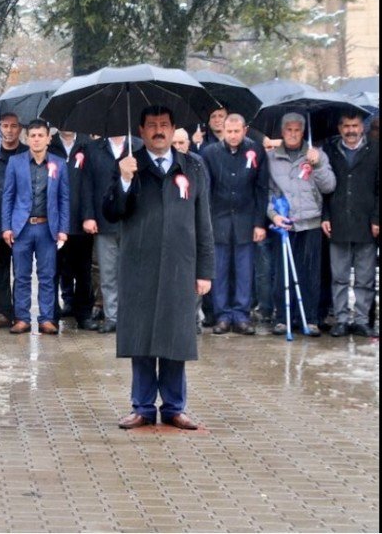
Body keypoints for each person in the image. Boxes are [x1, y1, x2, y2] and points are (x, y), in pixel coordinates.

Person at [104, 105, 214, 430]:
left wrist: (204, 270)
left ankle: (174, 407)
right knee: (140, 337)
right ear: (141, 130)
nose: (158, 130)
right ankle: (141, 407)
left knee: (175, 337)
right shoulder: (128, 165)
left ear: (173, 128)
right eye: (151, 125)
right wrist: (124, 179)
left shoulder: (192, 166)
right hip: (139, 263)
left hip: (181, 264)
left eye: (164, 124)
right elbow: (112, 212)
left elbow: (203, 221)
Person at [266, 113, 335, 336]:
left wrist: (317, 166)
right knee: (281, 271)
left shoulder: (316, 155)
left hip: (311, 222)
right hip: (284, 223)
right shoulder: (272, 158)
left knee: (311, 273)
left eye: (297, 130)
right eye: (289, 130)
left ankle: (311, 318)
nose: (293, 134)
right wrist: (273, 215)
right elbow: (266, 192)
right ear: (282, 132)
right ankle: (283, 318)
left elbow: (329, 187)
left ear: (303, 132)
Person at [201, 113, 268, 335]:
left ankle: (241, 314)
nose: (232, 135)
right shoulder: (210, 153)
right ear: (223, 131)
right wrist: (206, 221)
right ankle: (222, 316)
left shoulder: (255, 150)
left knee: (244, 270)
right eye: (228, 131)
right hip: (218, 220)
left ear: (244, 131)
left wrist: (259, 223)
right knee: (219, 270)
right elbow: (206, 189)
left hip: (246, 220)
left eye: (236, 131)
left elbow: (261, 189)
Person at [1, 119, 70, 334]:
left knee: (47, 275)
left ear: (49, 138)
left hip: (47, 227)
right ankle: (22, 318)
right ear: (27, 138)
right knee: (21, 275)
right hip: (22, 227)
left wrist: (63, 229)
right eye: (33, 136)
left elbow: (64, 198)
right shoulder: (16, 162)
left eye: (41, 135)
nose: (37, 139)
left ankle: (46, 318)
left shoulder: (59, 164)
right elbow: (8, 196)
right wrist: (6, 226)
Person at [322, 112, 379, 338]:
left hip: (366, 222)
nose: (351, 130)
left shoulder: (375, 149)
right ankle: (342, 319)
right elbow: (323, 189)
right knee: (339, 277)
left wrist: (377, 218)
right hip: (338, 221)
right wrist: (325, 216)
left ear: (362, 128)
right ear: (339, 128)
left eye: (355, 126)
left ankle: (363, 320)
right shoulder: (330, 150)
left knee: (365, 277)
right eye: (346, 126)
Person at [81, 133, 142, 333]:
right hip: (103, 220)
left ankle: (131, 316)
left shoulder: (138, 146)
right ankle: (112, 316)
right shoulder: (93, 149)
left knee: (132, 272)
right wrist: (88, 216)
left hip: (132, 222)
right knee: (107, 274)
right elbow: (87, 184)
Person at [0, 113, 27, 329]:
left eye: (14, 126)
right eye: (5, 126)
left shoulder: (28, 154)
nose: (9, 131)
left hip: (23, 223)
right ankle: (1, 311)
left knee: (22, 270)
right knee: (0, 270)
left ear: (20, 129)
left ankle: (20, 313)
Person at [49, 129, 96, 329]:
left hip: (80, 220)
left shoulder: (88, 145)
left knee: (84, 271)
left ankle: (83, 314)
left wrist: (89, 215)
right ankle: (50, 313)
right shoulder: (49, 146)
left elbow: (92, 182)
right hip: (54, 222)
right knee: (53, 270)